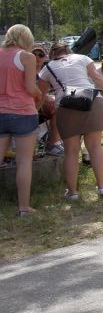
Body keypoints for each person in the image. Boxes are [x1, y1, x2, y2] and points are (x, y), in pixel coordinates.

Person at [39, 41, 103, 200]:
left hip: (67, 105)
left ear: (52, 53)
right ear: (69, 50)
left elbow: (41, 95)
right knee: (95, 146)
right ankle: (102, 187)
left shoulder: (47, 68)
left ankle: (72, 193)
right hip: (92, 100)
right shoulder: (82, 58)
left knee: (71, 151)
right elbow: (98, 79)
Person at [1, 25, 44, 216]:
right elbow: (30, 87)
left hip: (1, 111)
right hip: (23, 112)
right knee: (24, 161)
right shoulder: (27, 57)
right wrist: (39, 95)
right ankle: (24, 207)